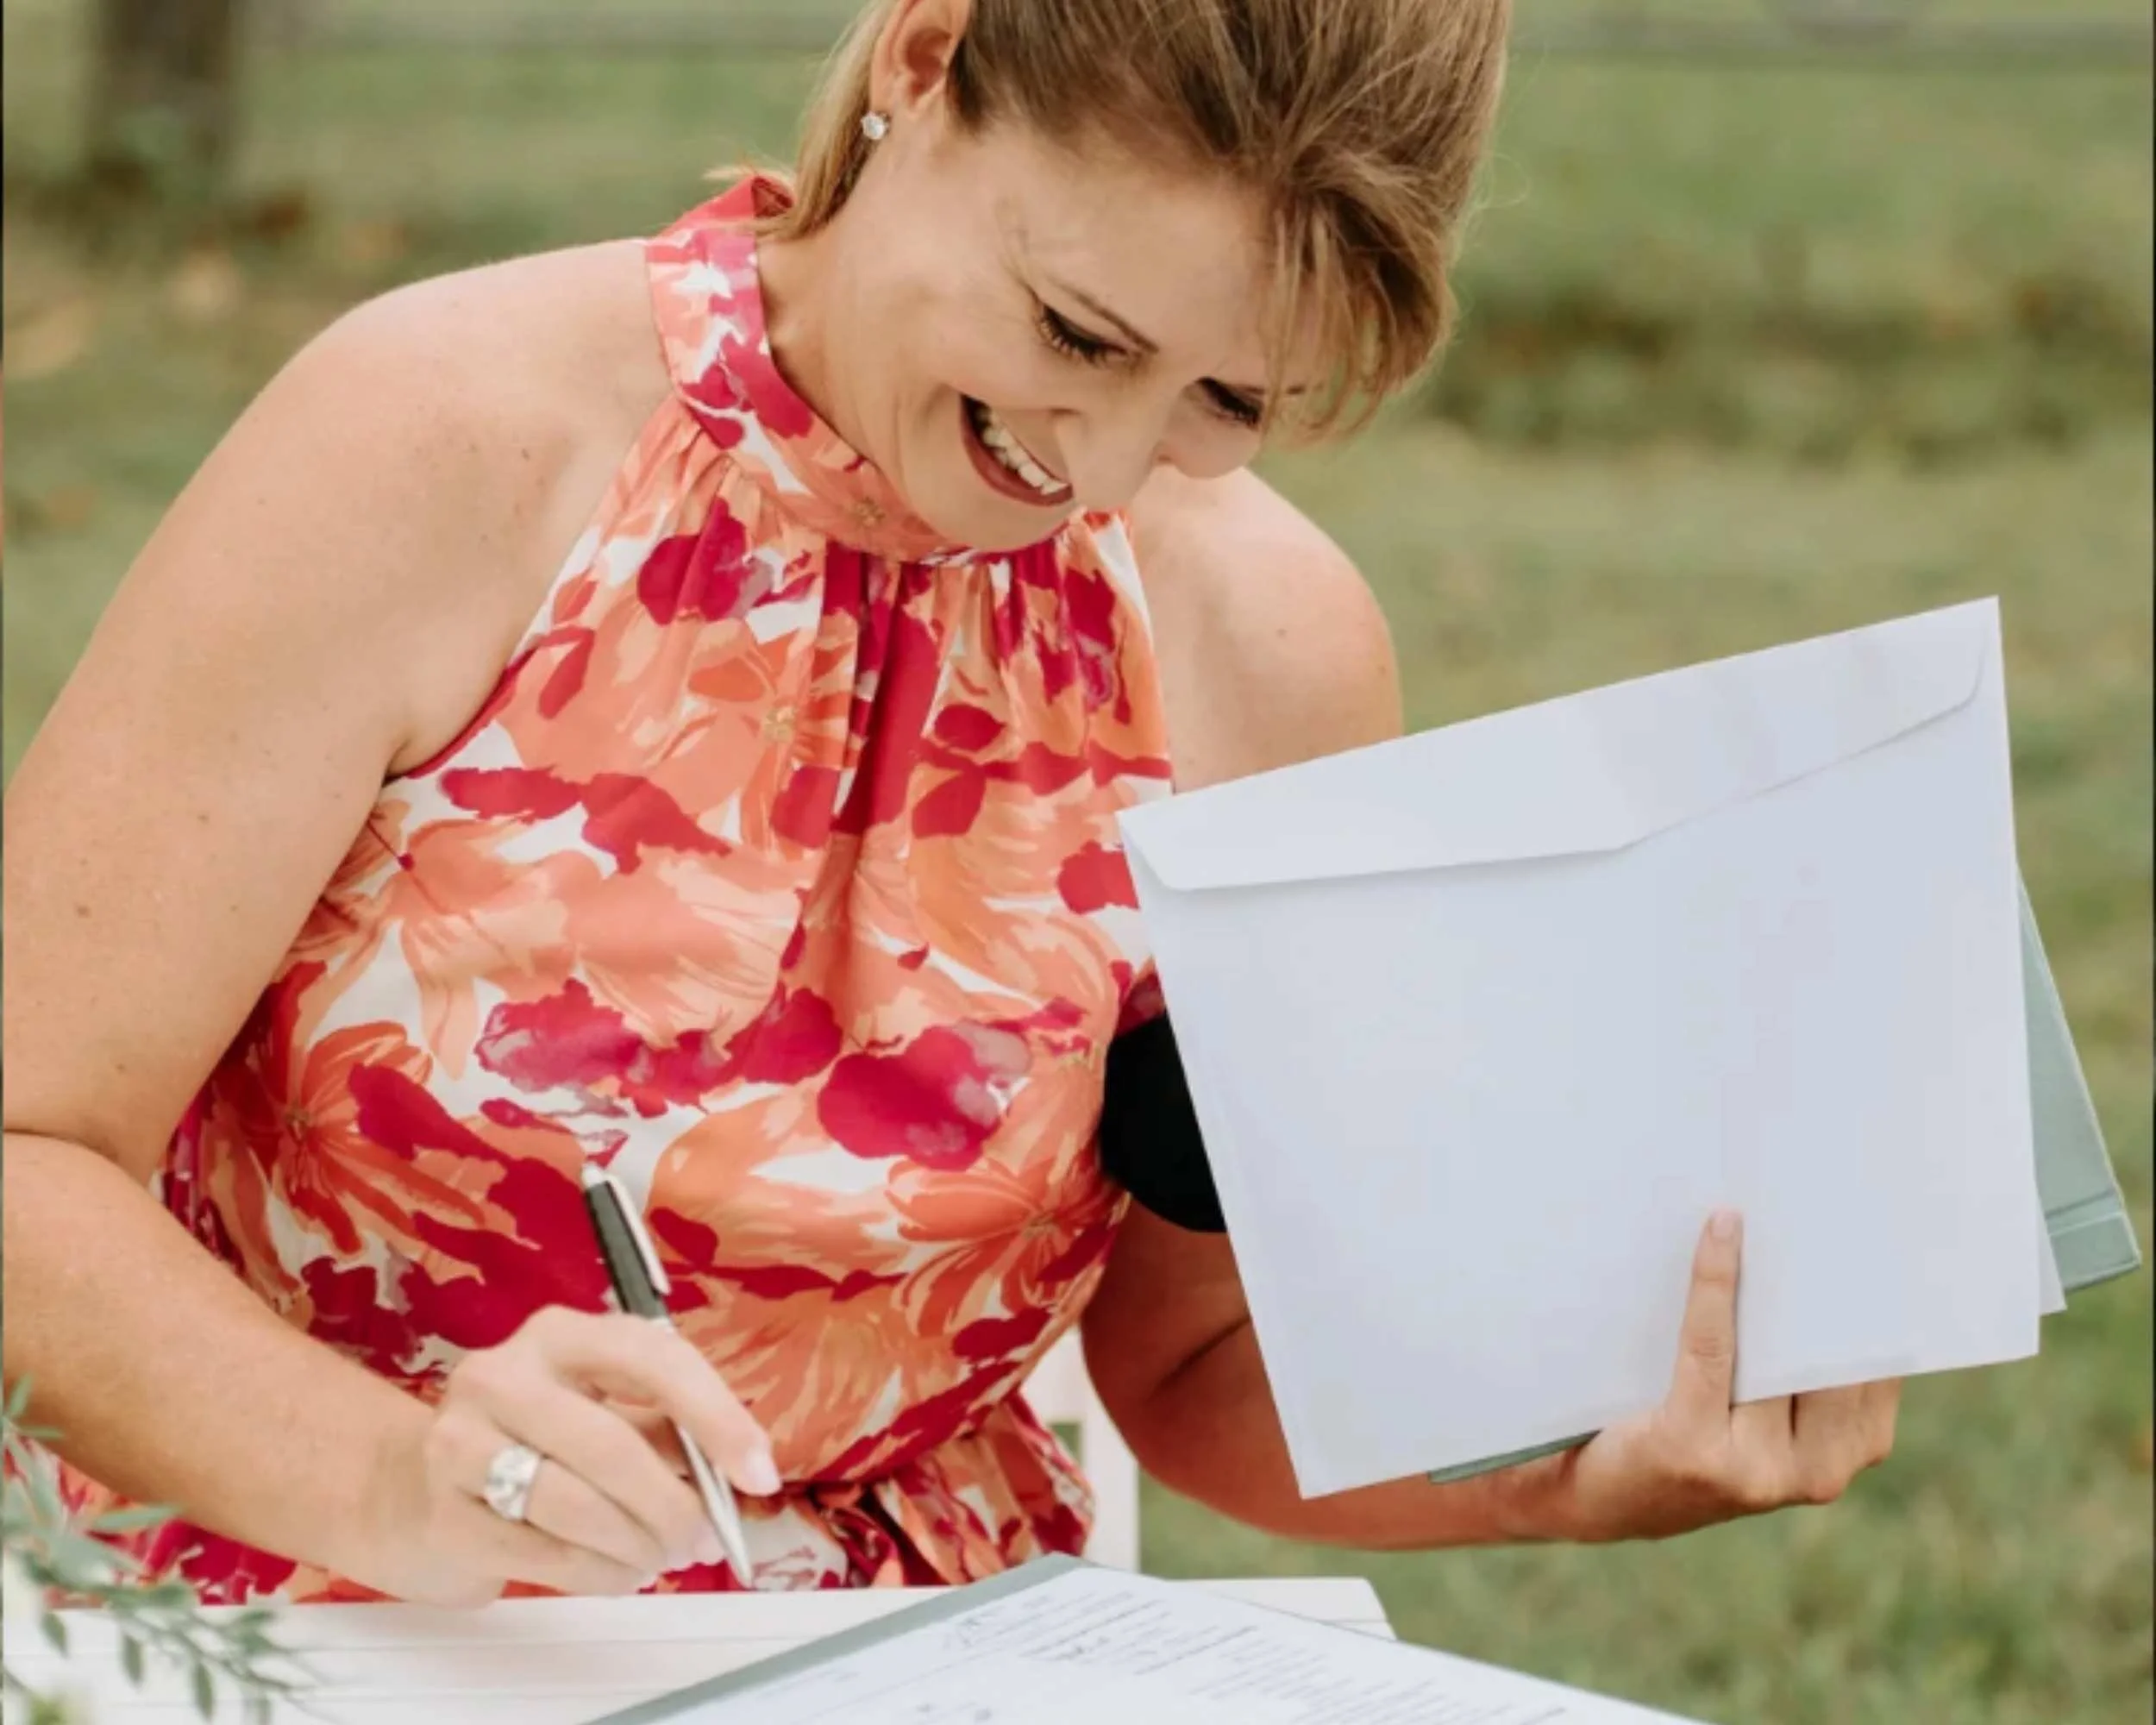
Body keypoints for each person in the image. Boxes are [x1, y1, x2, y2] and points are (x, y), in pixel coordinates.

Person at [2, 0, 1899, 1609]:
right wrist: (395, 1483)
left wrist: (1557, 1470)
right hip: (294, 1613)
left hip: (949, 1664)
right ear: (924, 55)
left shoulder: (1270, 645)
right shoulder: (442, 441)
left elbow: (1194, 1362)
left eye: (1227, 398)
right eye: (1076, 333)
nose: (1097, 461)